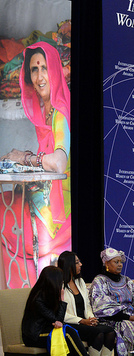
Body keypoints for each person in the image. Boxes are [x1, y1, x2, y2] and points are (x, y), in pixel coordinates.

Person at [0, 41, 71, 287]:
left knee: (2, 213)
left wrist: (26, 158)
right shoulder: (47, 112)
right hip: (45, 199)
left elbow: (59, 163)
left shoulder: (60, 113)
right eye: (34, 69)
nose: (40, 77)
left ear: (54, 70)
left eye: (44, 68)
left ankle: (17, 294)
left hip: (60, 216)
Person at [58, 251, 115, 356]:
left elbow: (87, 306)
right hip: (71, 324)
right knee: (98, 333)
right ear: (68, 265)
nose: (81, 264)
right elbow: (61, 314)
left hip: (85, 322)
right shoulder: (59, 285)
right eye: (77, 262)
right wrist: (82, 321)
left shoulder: (80, 282)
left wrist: (91, 319)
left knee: (110, 332)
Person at [22, 266, 88, 355]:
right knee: (68, 333)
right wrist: (62, 300)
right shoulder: (38, 298)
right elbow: (57, 319)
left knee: (69, 332)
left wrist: (57, 320)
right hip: (34, 335)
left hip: (48, 329)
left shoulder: (49, 293)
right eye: (61, 281)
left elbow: (57, 321)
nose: (62, 284)